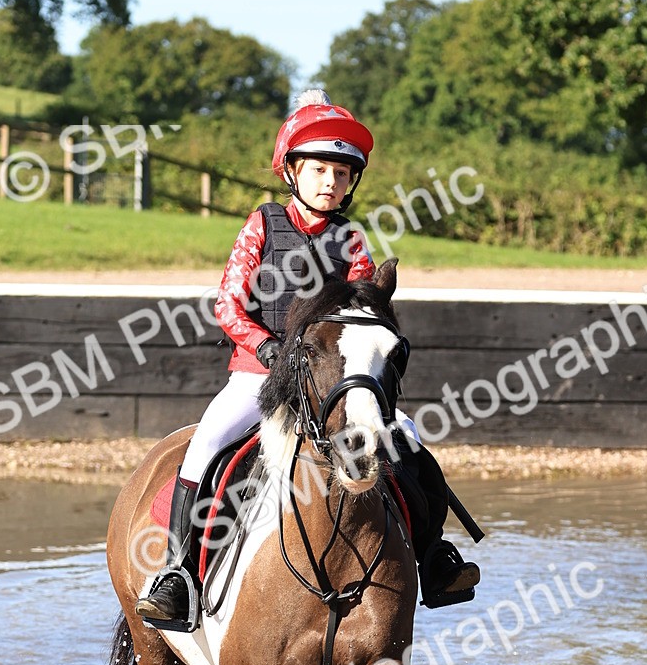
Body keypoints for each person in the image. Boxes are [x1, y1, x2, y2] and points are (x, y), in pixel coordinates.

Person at [135, 90, 479, 626]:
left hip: (332, 382)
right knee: (204, 446)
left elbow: (368, 308)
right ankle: (179, 574)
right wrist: (268, 347)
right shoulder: (261, 225)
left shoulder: (351, 241)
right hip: (259, 378)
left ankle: (434, 558)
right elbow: (228, 304)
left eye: (342, 174)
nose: (330, 182)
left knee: (409, 441)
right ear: (292, 171)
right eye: (320, 169)